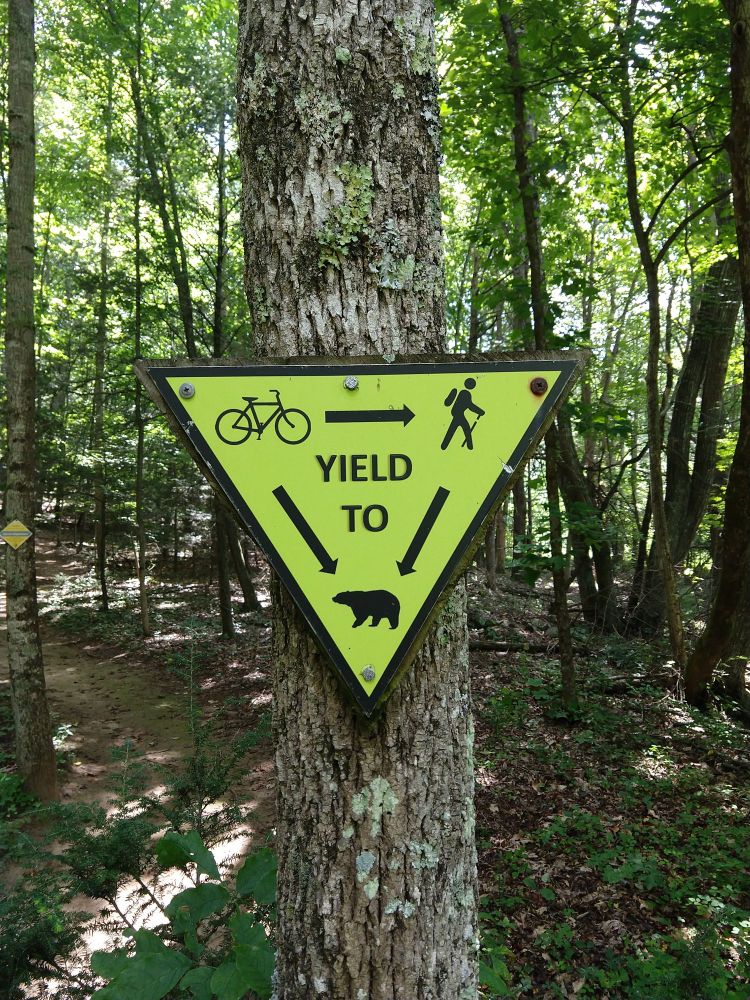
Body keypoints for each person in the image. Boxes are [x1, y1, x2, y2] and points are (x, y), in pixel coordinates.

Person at [440, 377, 485, 451]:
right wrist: (480, 411)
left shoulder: (461, 392)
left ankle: (444, 446)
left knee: (454, 429)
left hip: (457, 413)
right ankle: (469, 446)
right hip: (458, 414)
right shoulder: (465, 393)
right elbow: (470, 406)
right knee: (465, 428)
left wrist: (480, 411)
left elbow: (469, 405)